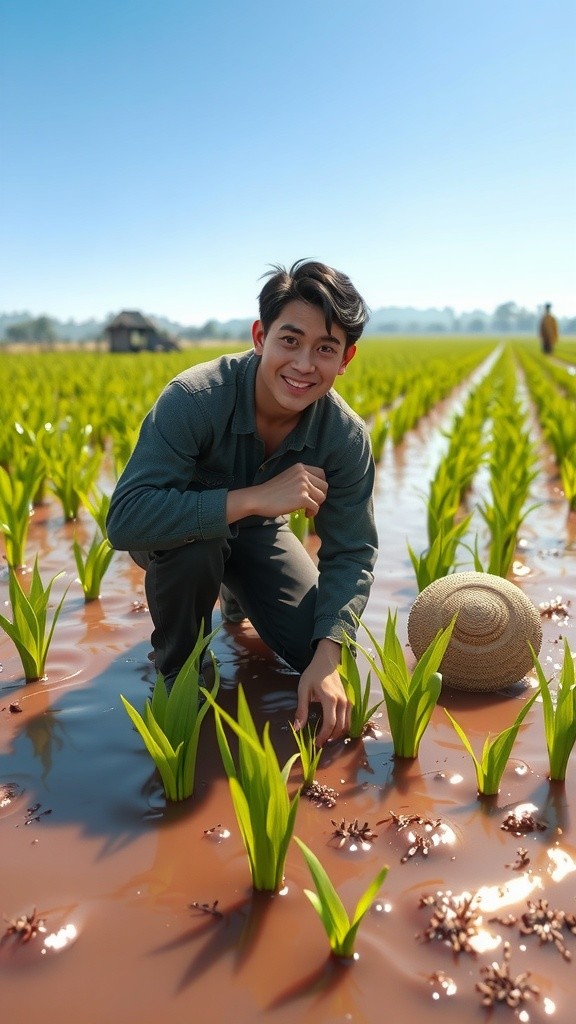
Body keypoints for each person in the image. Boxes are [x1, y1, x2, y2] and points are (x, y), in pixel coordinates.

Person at [106, 260, 378, 747]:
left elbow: (352, 550)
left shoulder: (344, 437)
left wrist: (330, 653)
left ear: (346, 359)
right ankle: (178, 666)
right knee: (197, 554)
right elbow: (125, 520)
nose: (303, 365)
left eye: (325, 349)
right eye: (289, 340)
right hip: (179, 537)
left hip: (258, 533)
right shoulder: (194, 398)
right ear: (260, 336)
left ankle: (236, 592)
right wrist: (254, 498)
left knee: (313, 652)